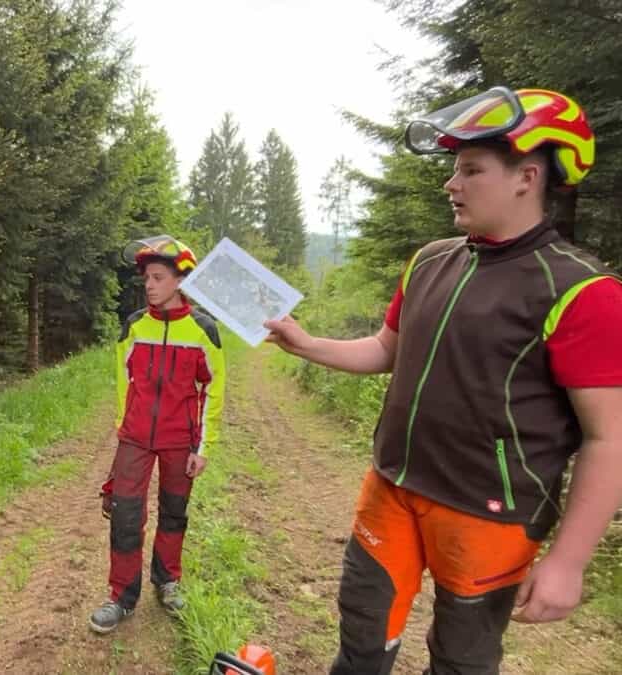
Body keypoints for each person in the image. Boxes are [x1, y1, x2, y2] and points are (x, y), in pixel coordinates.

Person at [265, 87, 622, 674]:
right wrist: (308, 345)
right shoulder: (430, 259)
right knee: (361, 634)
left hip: (491, 516)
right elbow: (386, 350)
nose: (451, 185)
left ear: (527, 177)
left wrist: (569, 561)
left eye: (471, 170)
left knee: (460, 661)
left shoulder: (583, 292)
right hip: (392, 489)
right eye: (454, 170)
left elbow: (608, 439)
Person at [89, 234, 226, 633]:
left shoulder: (204, 330)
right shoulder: (133, 326)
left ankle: (167, 581)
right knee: (125, 516)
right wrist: (123, 426)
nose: (149, 285)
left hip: (179, 440)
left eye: (158, 277)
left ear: (180, 281)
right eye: (146, 277)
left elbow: (214, 389)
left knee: (173, 513)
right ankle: (120, 596)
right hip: (134, 439)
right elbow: (122, 383)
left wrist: (203, 446)